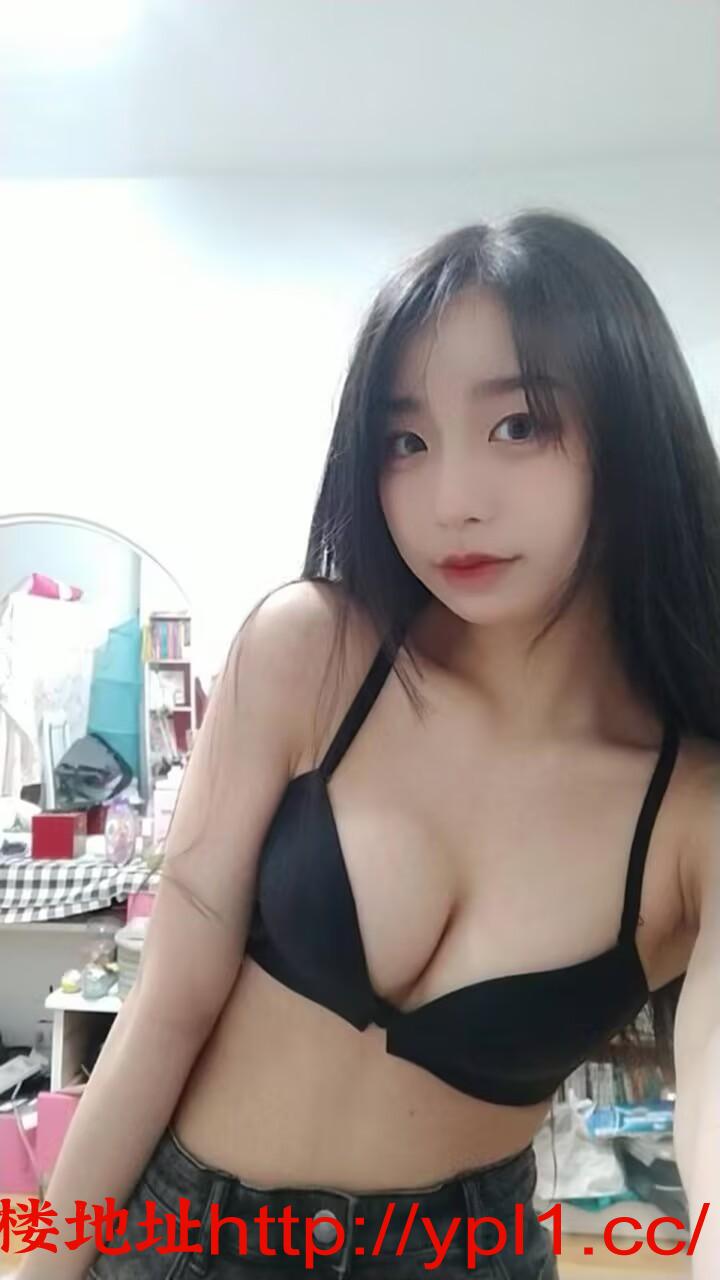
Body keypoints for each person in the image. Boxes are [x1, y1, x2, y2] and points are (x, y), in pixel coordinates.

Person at [17, 211, 720, 1279]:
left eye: (518, 424)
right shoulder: (313, 655)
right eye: (407, 441)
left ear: (633, 430)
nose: (452, 501)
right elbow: (167, 1008)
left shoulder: (692, 813)